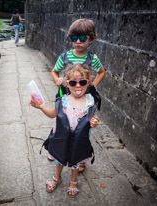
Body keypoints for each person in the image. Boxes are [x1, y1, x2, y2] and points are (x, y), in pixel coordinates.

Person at [30, 64, 99, 197]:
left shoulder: (90, 101)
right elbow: (52, 114)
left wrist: (94, 123)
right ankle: (57, 177)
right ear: (67, 84)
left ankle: (73, 181)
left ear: (88, 83)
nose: (78, 86)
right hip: (62, 138)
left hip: (79, 140)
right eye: (73, 82)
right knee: (59, 159)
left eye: (82, 82)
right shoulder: (63, 100)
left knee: (75, 161)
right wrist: (40, 107)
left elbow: (92, 119)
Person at [50, 18, 106, 172]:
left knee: (83, 127)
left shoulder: (92, 58)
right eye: (74, 38)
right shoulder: (65, 56)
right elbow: (54, 71)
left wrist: (94, 84)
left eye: (82, 38)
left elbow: (102, 72)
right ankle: (56, 148)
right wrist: (57, 80)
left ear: (91, 40)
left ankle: (80, 157)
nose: (78, 42)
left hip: (85, 99)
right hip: (66, 97)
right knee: (61, 123)